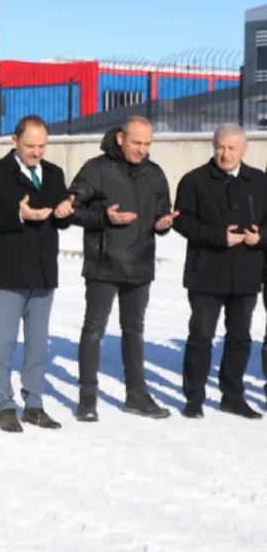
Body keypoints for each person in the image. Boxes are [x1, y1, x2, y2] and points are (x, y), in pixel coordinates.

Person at [66, 116, 175, 422]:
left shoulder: (155, 174)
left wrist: (163, 223)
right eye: (137, 143)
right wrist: (104, 218)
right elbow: (72, 209)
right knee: (93, 330)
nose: (142, 149)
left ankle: (136, 396)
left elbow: (161, 214)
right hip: (104, 265)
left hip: (139, 264)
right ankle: (87, 398)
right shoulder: (96, 169)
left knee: (134, 331)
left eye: (147, 144)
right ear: (120, 139)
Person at [0, 114, 73, 433]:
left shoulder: (54, 173)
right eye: (30, 145)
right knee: (3, 344)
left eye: (42, 146)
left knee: (38, 346)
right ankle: (3, 405)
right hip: (10, 272)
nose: (37, 152)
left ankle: (34, 404)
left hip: (43, 273)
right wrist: (18, 214)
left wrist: (65, 213)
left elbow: (61, 219)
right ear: (15, 140)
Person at [172, 122, 267, 420]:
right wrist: (217, 236)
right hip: (206, 272)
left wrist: (261, 237)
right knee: (201, 336)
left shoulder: (260, 181)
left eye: (231, 148)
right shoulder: (194, 181)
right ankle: (194, 397)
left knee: (239, 337)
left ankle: (232, 396)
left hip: (247, 273)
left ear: (244, 149)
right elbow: (182, 221)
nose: (225, 154)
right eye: (220, 147)